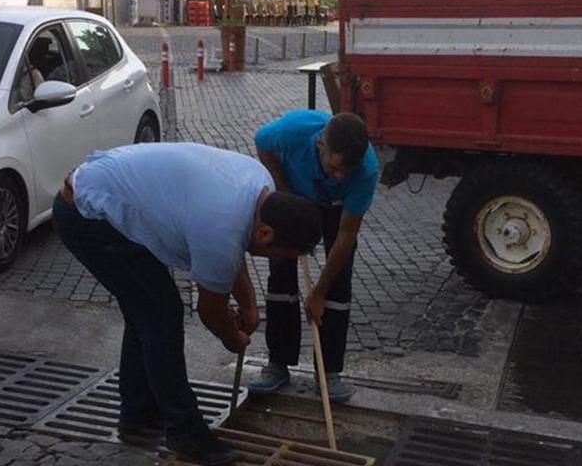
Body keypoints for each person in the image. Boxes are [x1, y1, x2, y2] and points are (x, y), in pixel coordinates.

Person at [52, 142, 322, 465]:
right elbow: (210, 310)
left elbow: (234, 247)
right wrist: (232, 338)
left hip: (103, 192)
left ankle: (138, 413)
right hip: (87, 213)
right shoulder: (221, 224)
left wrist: (249, 306)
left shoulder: (259, 185)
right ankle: (185, 431)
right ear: (265, 234)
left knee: (147, 311)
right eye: (278, 255)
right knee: (160, 315)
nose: (274, 259)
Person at [248, 110, 379, 403]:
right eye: (334, 168)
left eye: (346, 171)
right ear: (321, 145)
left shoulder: (366, 170)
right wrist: (283, 190)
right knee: (281, 275)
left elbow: (346, 235)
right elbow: (261, 143)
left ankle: (329, 372)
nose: (340, 176)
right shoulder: (291, 131)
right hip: (296, 195)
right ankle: (278, 364)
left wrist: (319, 292)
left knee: (338, 283)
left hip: (337, 209)